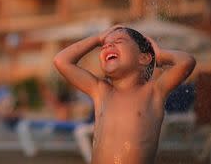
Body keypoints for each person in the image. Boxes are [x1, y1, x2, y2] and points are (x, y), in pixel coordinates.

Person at [53, 25, 196, 164]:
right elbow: (61, 61)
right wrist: (97, 39)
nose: (107, 46)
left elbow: (187, 62)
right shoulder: (100, 91)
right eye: (104, 45)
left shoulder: (153, 92)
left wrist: (159, 55)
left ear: (144, 58)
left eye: (119, 41)